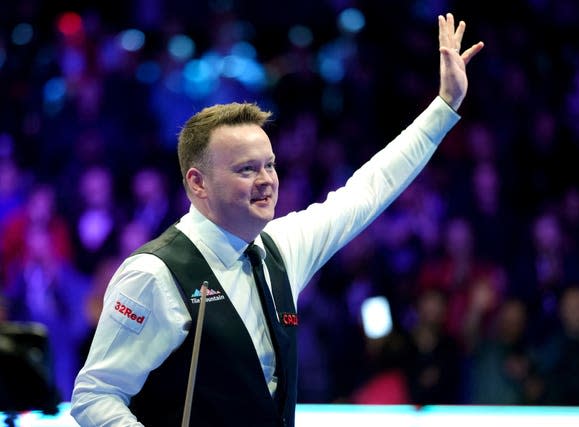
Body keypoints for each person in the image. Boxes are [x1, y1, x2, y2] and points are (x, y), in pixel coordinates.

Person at [71, 13, 484, 427]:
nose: (267, 180)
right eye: (247, 169)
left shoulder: (281, 249)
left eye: (269, 165)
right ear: (198, 183)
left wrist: (443, 107)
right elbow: (95, 397)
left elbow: (369, 191)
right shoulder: (153, 275)